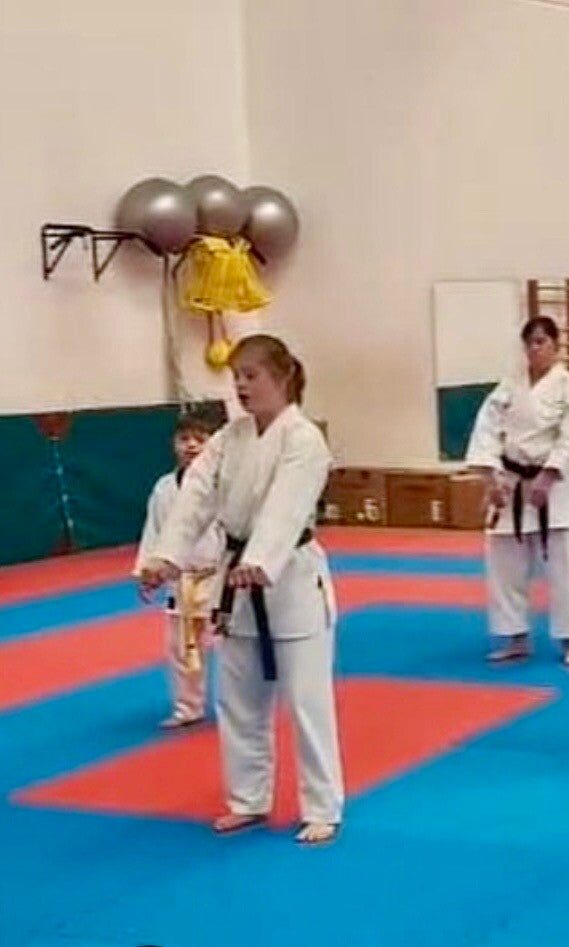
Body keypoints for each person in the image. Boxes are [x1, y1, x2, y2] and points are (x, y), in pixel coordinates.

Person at [137, 334, 344, 845]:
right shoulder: (229, 438)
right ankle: (248, 799)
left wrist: (259, 560)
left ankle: (322, 806)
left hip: (290, 578)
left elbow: (288, 504)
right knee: (239, 702)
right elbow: (194, 499)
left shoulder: (304, 439)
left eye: (251, 375)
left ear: (282, 376)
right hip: (234, 581)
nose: (241, 386)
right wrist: (164, 558)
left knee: (307, 704)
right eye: (236, 377)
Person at [466, 316, 569, 668]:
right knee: (504, 565)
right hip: (512, 484)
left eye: (541, 341)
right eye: (529, 343)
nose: (534, 349)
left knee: (565, 568)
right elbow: (487, 429)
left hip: (558, 488)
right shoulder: (510, 386)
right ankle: (516, 637)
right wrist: (491, 478)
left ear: (556, 345)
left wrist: (549, 476)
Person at [134, 411, 225, 729]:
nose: (191, 445)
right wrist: (149, 571)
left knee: (232, 648)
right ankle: (188, 706)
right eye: (184, 439)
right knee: (180, 648)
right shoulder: (164, 488)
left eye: (200, 439)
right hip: (182, 579)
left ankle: (238, 707)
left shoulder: (225, 483)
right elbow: (155, 531)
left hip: (220, 577)